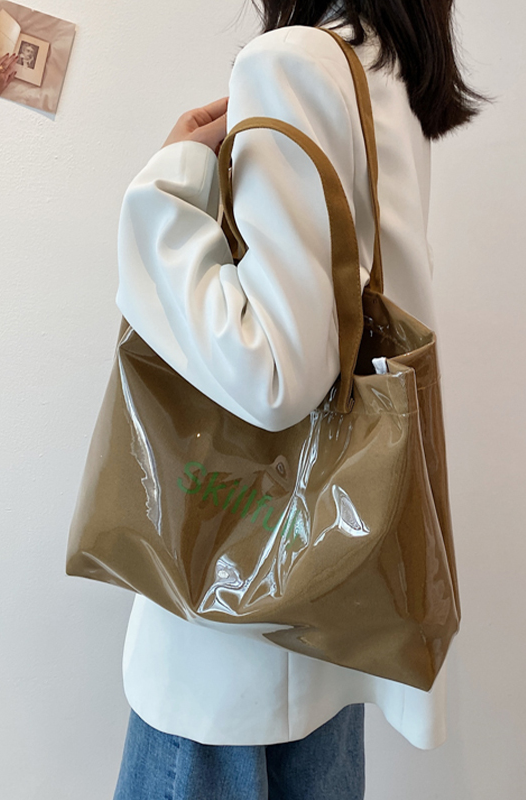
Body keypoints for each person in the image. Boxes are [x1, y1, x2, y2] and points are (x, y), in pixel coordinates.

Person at [111, 1, 486, 797]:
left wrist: (168, 183)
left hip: (236, 632)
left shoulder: (290, 63)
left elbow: (273, 373)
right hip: (334, 602)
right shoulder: (385, 80)